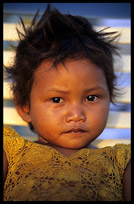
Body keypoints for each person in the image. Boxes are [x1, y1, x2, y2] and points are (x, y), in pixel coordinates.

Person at [3, 4, 131, 201]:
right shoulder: (11, 153)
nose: (76, 115)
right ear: (24, 107)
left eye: (91, 98)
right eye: (57, 99)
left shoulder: (121, 163)